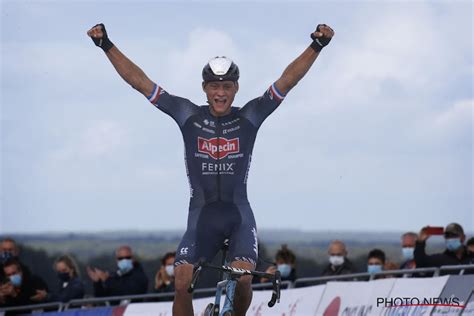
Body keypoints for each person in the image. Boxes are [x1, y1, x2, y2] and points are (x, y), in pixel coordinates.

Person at [87, 21, 334, 315]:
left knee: (243, 280)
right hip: (201, 218)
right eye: (214, 86)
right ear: (204, 88)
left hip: (237, 216)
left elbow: (287, 81)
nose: (220, 92)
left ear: (236, 88)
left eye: (227, 86)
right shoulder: (187, 114)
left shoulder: (250, 117)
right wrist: (106, 45)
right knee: (180, 282)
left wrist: (317, 46)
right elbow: (140, 82)